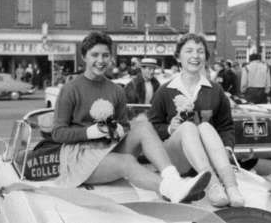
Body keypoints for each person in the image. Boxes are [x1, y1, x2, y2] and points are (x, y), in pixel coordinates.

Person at [52, 31, 211, 203]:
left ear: (111, 58)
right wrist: (90, 132)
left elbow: (125, 126)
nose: (100, 60)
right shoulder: (70, 89)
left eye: (105, 55)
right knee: (126, 162)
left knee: (143, 126)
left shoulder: (116, 90)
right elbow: (58, 133)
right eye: (94, 55)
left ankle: (173, 179)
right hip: (80, 156)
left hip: (107, 148)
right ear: (84, 57)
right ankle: (171, 190)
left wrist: (119, 129)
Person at [149, 33, 244, 207]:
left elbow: (226, 126)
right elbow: (152, 127)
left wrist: (227, 147)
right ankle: (213, 185)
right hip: (176, 160)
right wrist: (170, 129)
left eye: (200, 51)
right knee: (187, 127)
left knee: (206, 126)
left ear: (206, 58)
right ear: (178, 57)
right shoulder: (164, 91)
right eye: (189, 51)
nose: (195, 56)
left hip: (208, 156)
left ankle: (231, 186)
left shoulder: (215, 90)